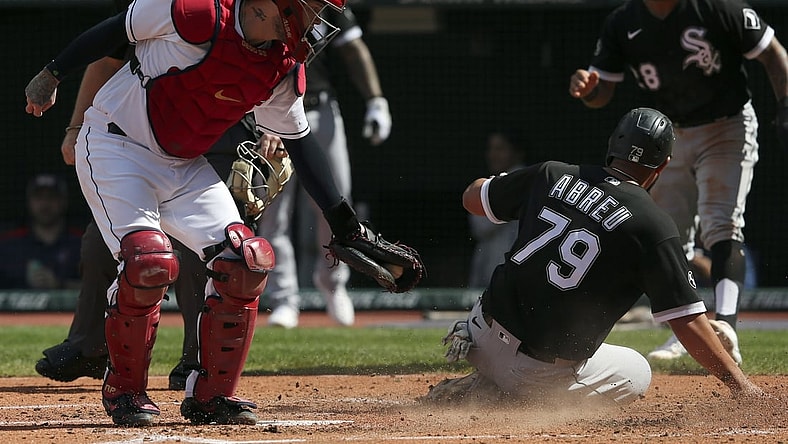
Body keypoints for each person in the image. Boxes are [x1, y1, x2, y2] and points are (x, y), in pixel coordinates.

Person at [22, 0, 385, 427]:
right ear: (275, 5)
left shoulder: (280, 66)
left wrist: (344, 223)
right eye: (312, 8)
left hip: (182, 163)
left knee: (245, 261)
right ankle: (125, 390)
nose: (318, 22)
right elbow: (115, 30)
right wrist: (52, 73)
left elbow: (303, 146)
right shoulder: (196, 14)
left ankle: (210, 395)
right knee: (148, 260)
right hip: (115, 147)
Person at [427, 108, 764, 407]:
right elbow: (688, 322)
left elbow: (472, 198)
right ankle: (498, 394)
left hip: (478, 334)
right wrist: (741, 386)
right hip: (532, 372)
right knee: (638, 372)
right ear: (662, 166)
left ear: (611, 145)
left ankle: (487, 380)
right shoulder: (653, 225)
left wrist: (514, 185)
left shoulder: (552, 173)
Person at [32, 15, 266, 389]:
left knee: (219, 253)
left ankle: (197, 363)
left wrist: (276, 135)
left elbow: (282, 85)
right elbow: (108, 56)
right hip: (143, 133)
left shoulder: (265, 18)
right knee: (117, 248)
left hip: (218, 134)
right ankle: (91, 347)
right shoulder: (177, 9)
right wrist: (75, 125)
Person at [567, 0, 788, 365]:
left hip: (726, 125)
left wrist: (784, 106)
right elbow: (601, 91)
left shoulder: (716, 7)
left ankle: (726, 327)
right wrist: (588, 89)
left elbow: (774, 52)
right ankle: (685, 332)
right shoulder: (624, 21)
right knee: (669, 232)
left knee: (722, 221)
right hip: (669, 135)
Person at [261, 4, 391, 328]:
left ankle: (334, 284)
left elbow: (353, 49)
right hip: (271, 112)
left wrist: (376, 100)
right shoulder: (263, 8)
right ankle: (283, 298)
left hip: (319, 110)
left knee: (336, 200)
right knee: (273, 208)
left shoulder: (328, 7)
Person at [0, 173, 82, 290]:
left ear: (64, 201)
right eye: (39, 197)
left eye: (51, 197)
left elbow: (101, 290)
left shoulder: (81, 243)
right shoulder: (8, 244)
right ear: (29, 202)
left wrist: (59, 285)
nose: (45, 204)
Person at [467, 129, 526, 289]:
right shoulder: (498, 182)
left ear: (517, 152)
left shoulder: (521, 181)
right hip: (492, 273)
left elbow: (482, 226)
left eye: (500, 149)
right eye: (491, 149)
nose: (493, 154)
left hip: (513, 276)